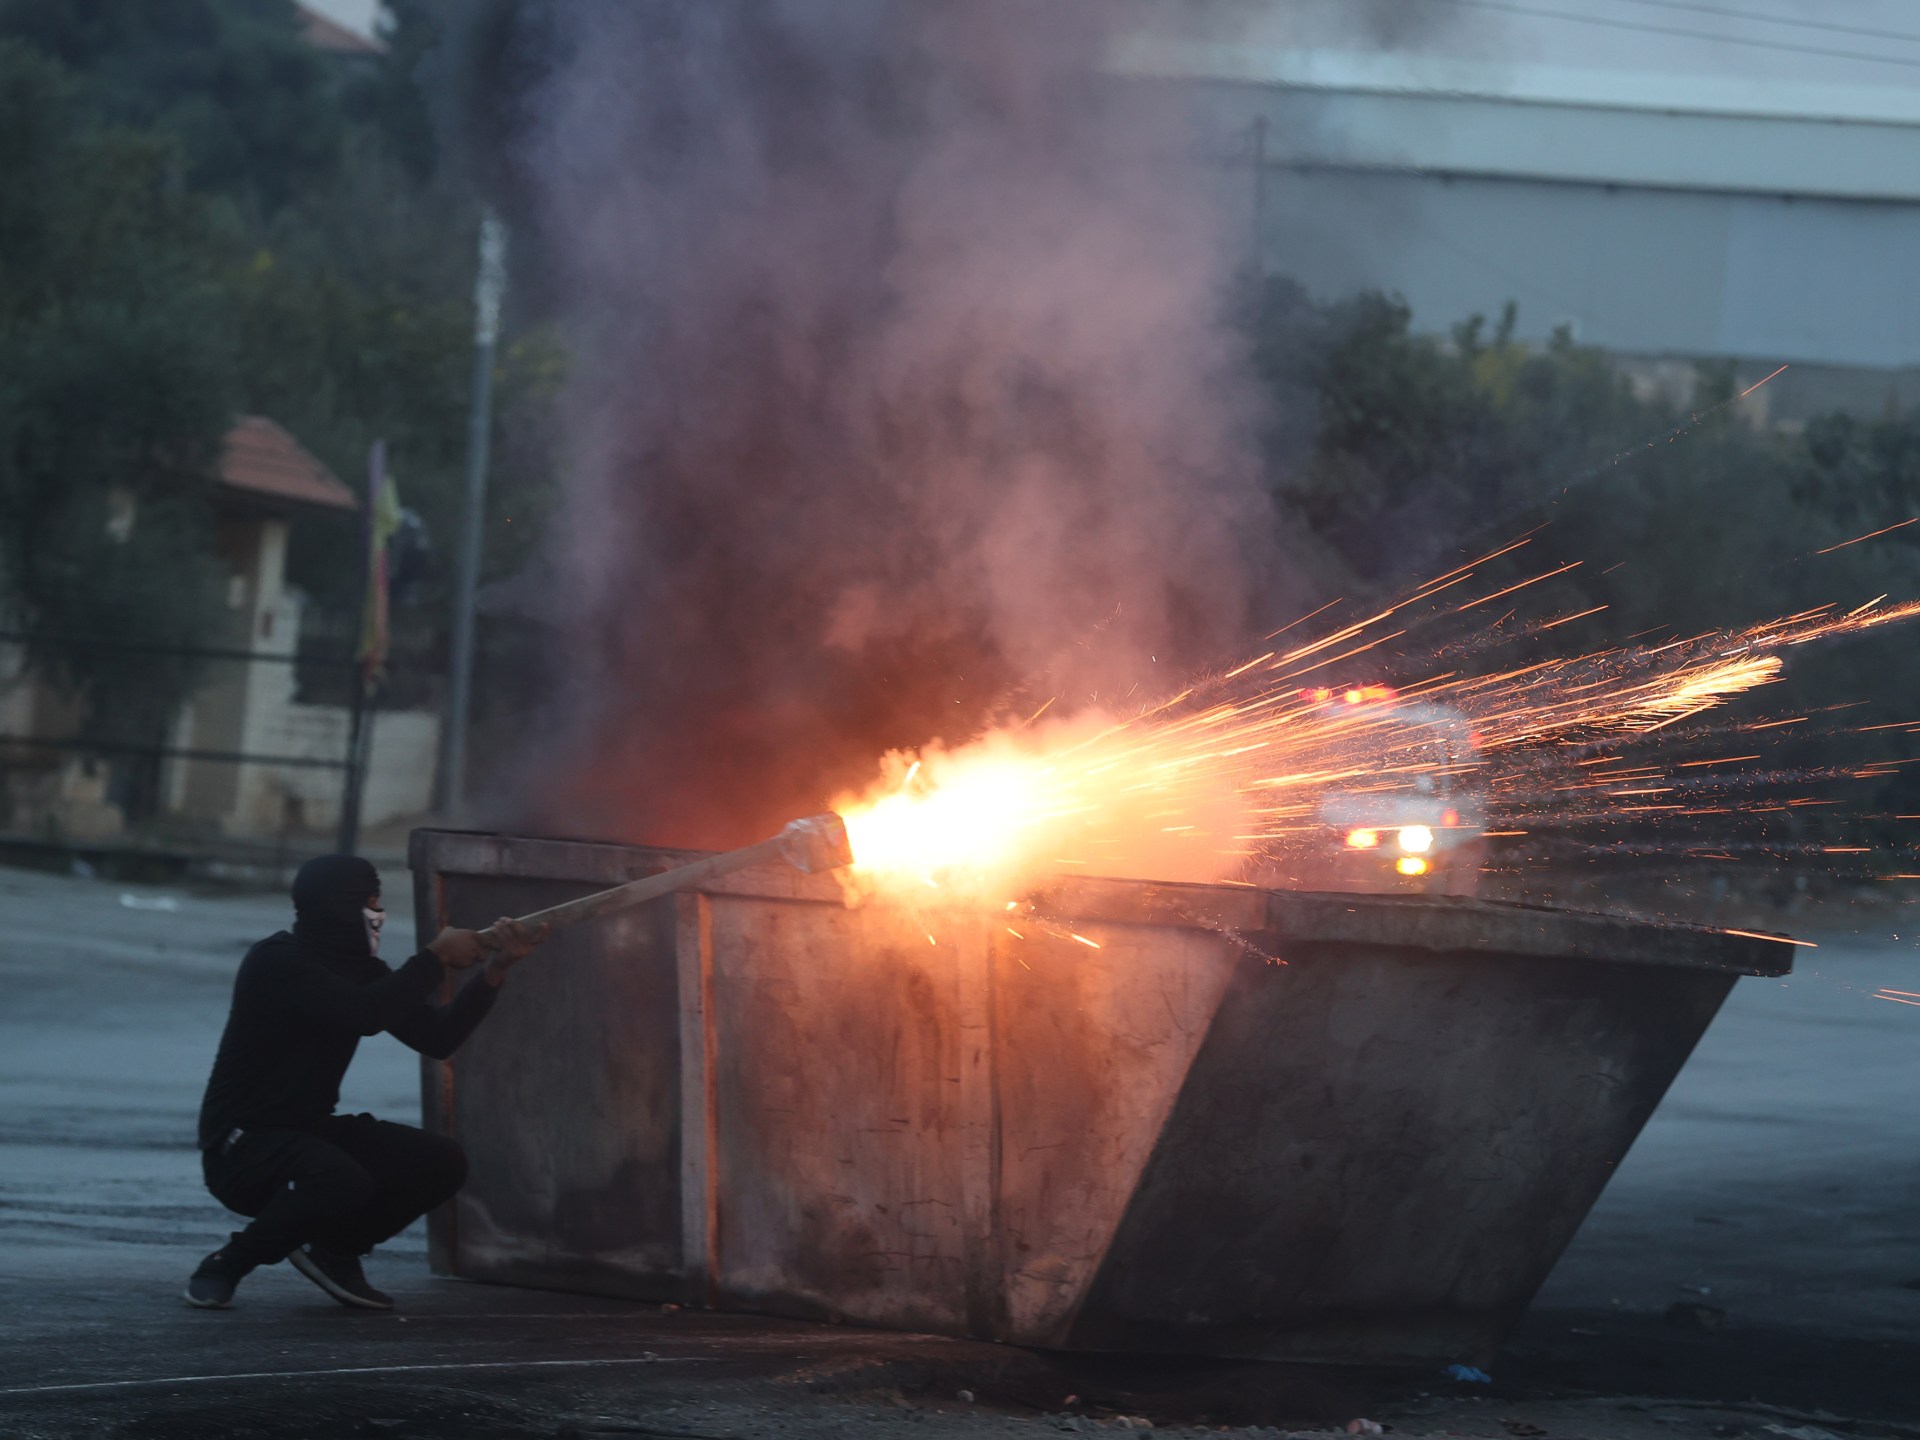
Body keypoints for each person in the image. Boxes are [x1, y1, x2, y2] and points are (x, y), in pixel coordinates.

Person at [184, 854, 546, 1311]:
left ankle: (337, 1252)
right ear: (338, 907)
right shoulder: (276, 961)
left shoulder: (363, 973)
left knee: (440, 1162)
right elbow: (364, 1014)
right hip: (242, 1147)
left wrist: (494, 971)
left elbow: (437, 1037)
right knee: (340, 1179)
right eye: (369, 903)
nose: (377, 915)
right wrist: (434, 959)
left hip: (308, 1132)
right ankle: (225, 1265)